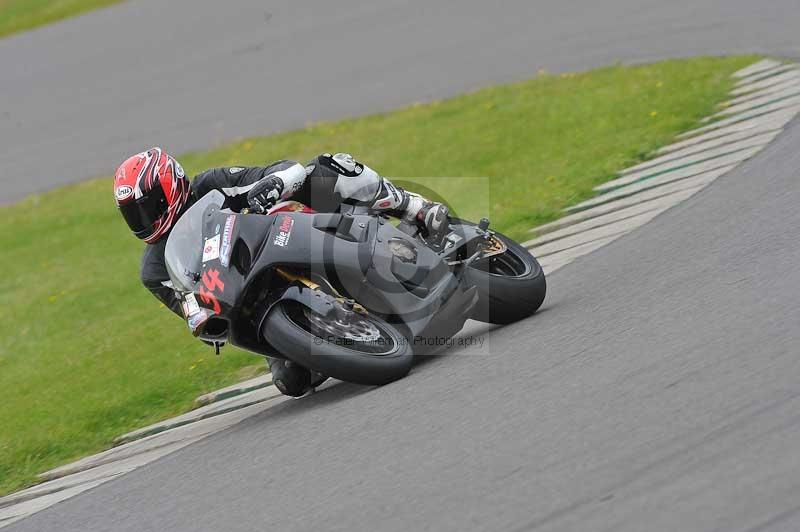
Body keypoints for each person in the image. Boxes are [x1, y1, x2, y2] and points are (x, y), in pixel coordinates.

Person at [113, 147, 449, 396]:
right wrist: (202, 320)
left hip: (293, 232)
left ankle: (416, 209)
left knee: (329, 167)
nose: (143, 220)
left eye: (147, 207)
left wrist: (271, 184)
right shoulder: (154, 269)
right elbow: (191, 310)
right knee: (292, 382)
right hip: (250, 301)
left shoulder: (210, 185)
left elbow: (289, 169)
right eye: (133, 215)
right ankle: (346, 326)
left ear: (171, 187)